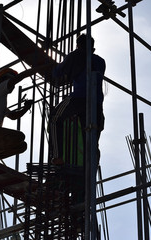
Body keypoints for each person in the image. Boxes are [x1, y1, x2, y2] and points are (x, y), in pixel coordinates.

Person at [50, 34, 106, 165]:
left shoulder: (76, 55)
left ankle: (58, 156)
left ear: (78, 45)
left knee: (54, 119)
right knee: (91, 138)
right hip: (96, 104)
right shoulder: (101, 61)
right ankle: (91, 169)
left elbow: (57, 72)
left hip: (79, 98)